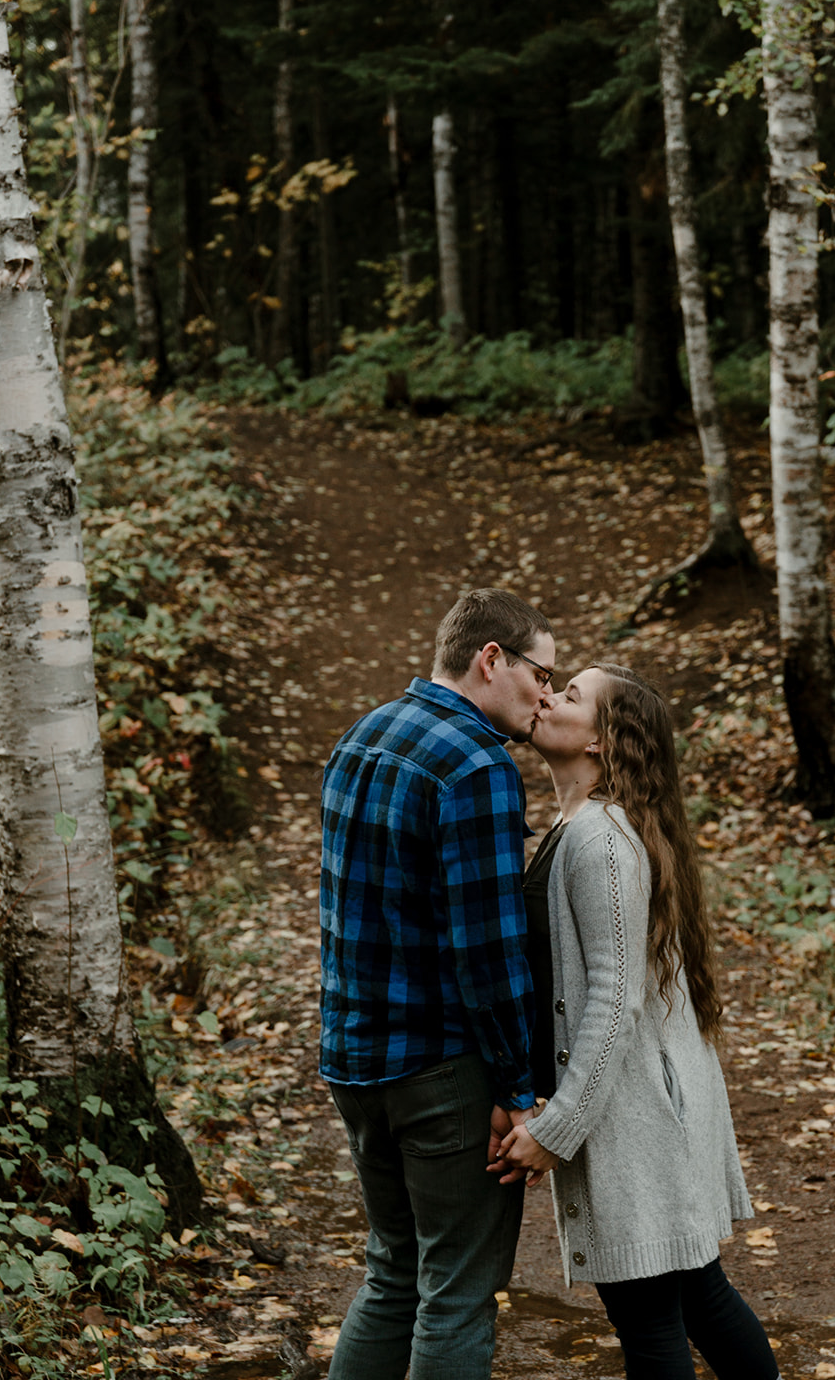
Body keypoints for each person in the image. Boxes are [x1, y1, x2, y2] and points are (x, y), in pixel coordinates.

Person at [493, 663, 780, 1380]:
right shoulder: (576, 828)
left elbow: (612, 1000)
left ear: (602, 741)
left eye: (571, 695)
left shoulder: (601, 841)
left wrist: (556, 1129)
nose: (549, 697)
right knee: (689, 1297)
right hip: (636, 1105)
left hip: (640, 1113)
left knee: (656, 1316)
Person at [319, 588, 555, 1380]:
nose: (547, 695)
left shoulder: (365, 733)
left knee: (391, 1271)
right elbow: (485, 955)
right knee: (456, 1292)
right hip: (442, 1074)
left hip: (353, 1062)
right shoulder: (475, 764)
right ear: (491, 659)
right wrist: (520, 1090)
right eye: (540, 673)